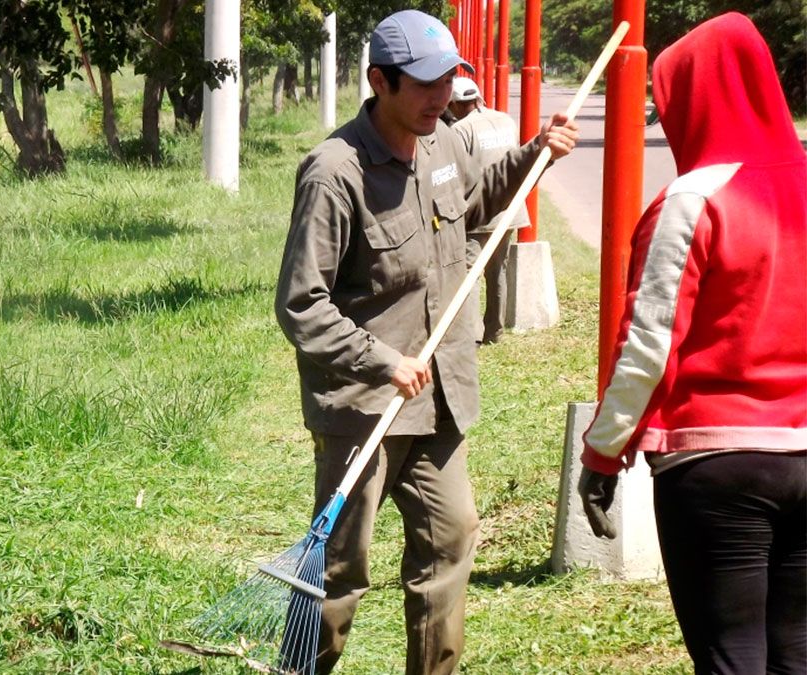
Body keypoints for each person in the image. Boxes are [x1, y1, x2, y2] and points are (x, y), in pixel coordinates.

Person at [274, 10, 579, 674]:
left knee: (451, 537)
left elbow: (475, 203)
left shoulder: (445, 143)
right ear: (379, 81)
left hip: (441, 395)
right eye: (424, 84)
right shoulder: (334, 173)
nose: (441, 96)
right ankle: (299, 668)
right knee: (340, 567)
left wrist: (535, 156)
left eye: (448, 80)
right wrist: (381, 360)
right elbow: (301, 303)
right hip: (365, 407)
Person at [577, 13, 805, 674]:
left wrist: (602, 452)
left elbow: (647, 347)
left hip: (716, 468)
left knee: (732, 656)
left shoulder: (693, 198)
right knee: (797, 652)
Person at [448, 77, 531, 345]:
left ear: (457, 105)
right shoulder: (506, 120)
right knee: (498, 271)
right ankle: (494, 332)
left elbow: (457, 174)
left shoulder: (460, 130)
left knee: (469, 275)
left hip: (479, 214)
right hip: (510, 212)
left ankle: (470, 336)